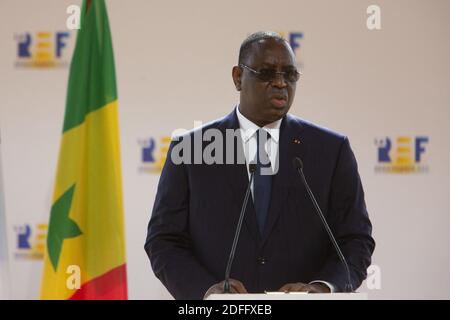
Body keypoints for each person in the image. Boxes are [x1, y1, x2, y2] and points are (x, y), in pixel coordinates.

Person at [144, 31, 375, 300]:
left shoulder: (330, 150)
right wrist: (207, 292)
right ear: (237, 77)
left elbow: (355, 240)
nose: (280, 83)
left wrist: (322, 288)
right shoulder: (192, 149)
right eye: (266, 73)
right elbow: (164, 240)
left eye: (289, 74)